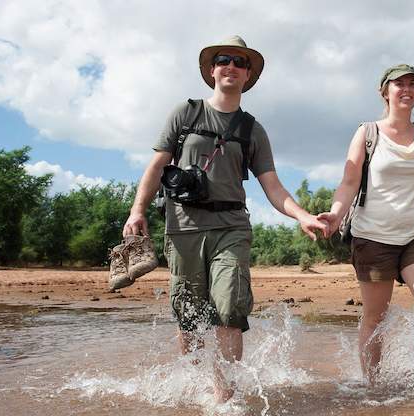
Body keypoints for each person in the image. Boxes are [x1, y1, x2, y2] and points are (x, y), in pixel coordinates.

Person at [122, 35, 327, 402]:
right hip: (183, 227)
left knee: (230, 307)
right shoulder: (185, 113)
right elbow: (156, 166)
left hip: (231, 227)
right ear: (212, 70)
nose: (231, 66)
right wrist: (138, 210)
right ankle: (194, 385)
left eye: (240, 62)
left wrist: (302, 216)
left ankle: (224, 397)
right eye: (224, 60)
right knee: (190, 314)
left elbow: (272, 185)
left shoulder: (252, 129)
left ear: (248, 75)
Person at [317, 64, 414, 404]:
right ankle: (373, 385)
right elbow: (349, 181)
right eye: (400, 84)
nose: (407, 89)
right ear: (385, 91)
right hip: (372, 236)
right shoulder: (367, 132)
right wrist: (334, 215)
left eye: (413, 84)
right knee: (376, 317)